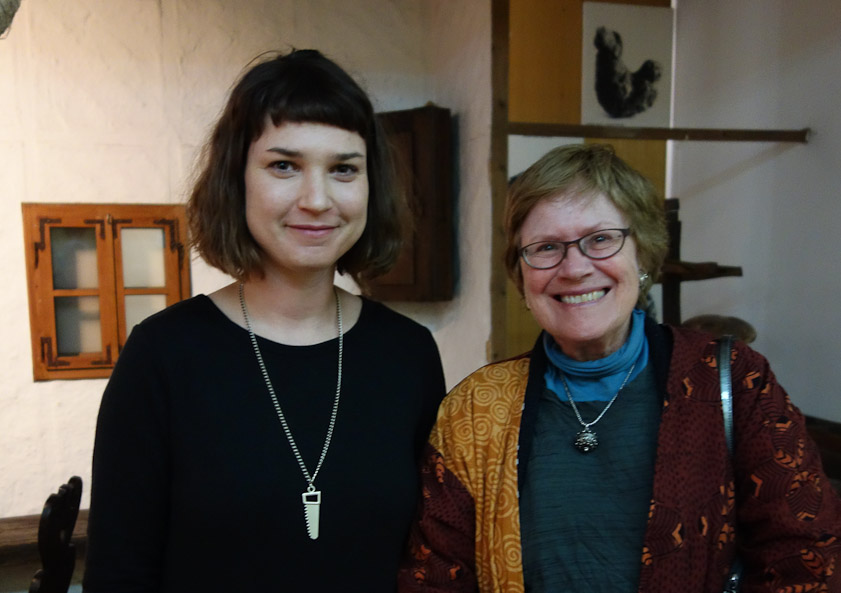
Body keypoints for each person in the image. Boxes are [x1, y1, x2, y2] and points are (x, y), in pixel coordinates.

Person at [398, 144, 841, 592]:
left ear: (642, 255)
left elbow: (807, 556)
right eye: (546, 247)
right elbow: (434, 577)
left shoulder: (733, 380)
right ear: (521, 276)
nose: (574, 268)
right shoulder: (475, 407)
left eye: (600, 239)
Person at [83, 49, 446, 592]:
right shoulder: (163, 355)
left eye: (344, 169)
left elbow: (430, 560)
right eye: (284, 166)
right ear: (237, 179)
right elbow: (118, 574)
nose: (317, 199)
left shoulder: (408, 353)